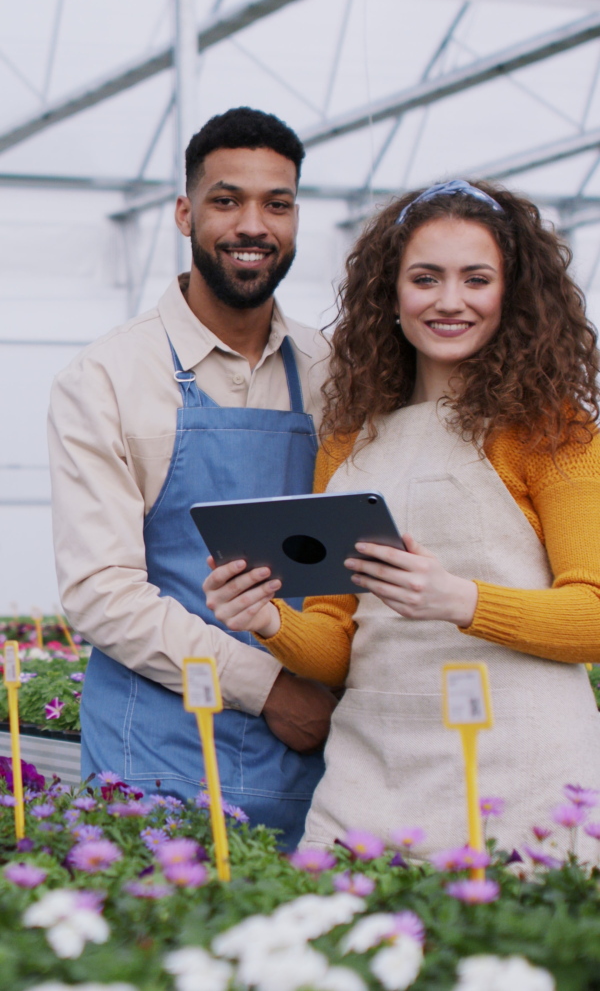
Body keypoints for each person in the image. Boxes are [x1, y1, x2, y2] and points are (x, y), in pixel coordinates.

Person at [203, 179, 600, 858]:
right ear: (389, 293)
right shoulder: (350, 439)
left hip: (525, 771)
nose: (450, 300)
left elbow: (592, 615)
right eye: (426, 278)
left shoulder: (552, 429)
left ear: (514, 294)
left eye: (477, 278)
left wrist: (459, 599)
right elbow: (340, 638)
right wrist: (268, 618)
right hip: (372, 769)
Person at [48, 106, 336, 849]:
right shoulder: (108, 376)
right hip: (158, 752)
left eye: (277, 203)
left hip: (324, 750)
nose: (253, 224)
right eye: (226, 199)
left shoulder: (334, 371)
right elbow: (100, 591)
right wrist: (270, 687)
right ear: (184, 213)